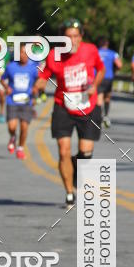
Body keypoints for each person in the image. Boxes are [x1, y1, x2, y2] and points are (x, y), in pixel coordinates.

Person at [32, 19, 104, 206]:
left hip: (88, 105)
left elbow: (101, 69)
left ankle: (75, 165)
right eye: (67, 37)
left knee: (85, 154)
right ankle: (69, 192)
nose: (72, 40)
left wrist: (94, 86)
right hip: (63, 106)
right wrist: (38, 85)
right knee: (63, 151)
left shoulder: (91, 50)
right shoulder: (55, 55)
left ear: (81, 37)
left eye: (75, 36)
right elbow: (44, 76)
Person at [1, 44, 39, 159]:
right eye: (22, 53)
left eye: (26, 53)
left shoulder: (33, 69)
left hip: (27, 101)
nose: (24, 55)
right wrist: (7, 88)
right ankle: (13, 137)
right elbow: (3, 79)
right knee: (12, 127)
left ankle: (20, 148)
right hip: (12, 100)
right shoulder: (11, 67)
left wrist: (36, 90)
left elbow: (40, 81)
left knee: (24, 127)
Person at [96, 36, 121, 128]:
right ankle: (106, 116)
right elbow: (119, 64)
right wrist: (114, 70)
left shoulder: (96, 52)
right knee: (107, 97)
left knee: (99, 98)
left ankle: (98, 118)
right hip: (108, 77)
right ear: (107, 44)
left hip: (98, 77)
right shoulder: (112, 53)